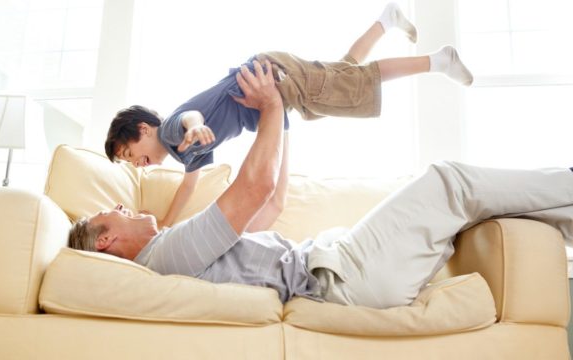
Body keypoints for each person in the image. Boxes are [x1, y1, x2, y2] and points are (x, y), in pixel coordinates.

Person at [70, 59, 573, 309]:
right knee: (451, 182)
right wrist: (268, 106)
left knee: (477, 207)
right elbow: (253, 189)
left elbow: (267, 206)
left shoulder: (172, 249)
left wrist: (280, 122)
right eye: (108, 212)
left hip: (338, 264)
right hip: (344, 277)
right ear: (109, 241)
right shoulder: (166, 255)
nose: (121, 201)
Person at [103, 3, 474, 228]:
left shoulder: (172, 132)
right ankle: (385, 21)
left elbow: (189, 117)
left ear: (142, 129)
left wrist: (196, 127)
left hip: (269, 78)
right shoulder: (185, 153)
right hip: (272, 103)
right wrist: (166, 223)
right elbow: (188, 186)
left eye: (128, 154)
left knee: (355, 85)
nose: (136, 164)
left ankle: (439, 61)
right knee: (342, 77)